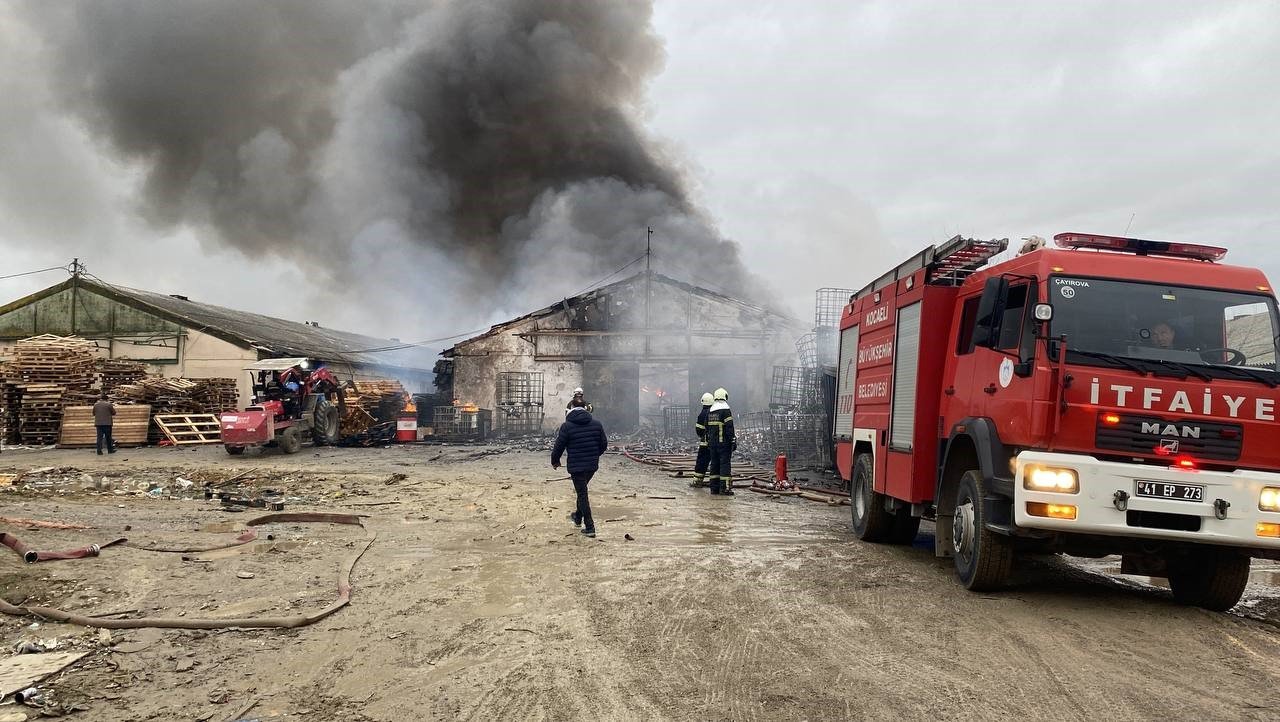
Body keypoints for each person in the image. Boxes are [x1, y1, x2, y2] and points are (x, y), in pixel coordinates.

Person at [551, 405, 608, 538]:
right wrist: (594, 455)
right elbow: (604, 444)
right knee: (581, 491)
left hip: (576, 467)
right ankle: (577, 516)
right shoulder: (597, 424)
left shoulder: (567, 426)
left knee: (582, 493)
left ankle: (590, 527)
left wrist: (555, 461)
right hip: (592, 466)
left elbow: (559, 445)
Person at [706, 388, 736, 496]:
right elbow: (729, 427)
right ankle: (725, 488)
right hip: (724, 444)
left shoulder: (710, 411)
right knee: (725, 465)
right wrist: (733, 440)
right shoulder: (725, 410)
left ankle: (714, 488)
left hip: (712, 444)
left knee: (714, 465)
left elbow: (706, 427)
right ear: (725, 396)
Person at [690, 392, 714, 488]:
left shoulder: (702, 414)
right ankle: (716, 483)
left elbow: (699, 430)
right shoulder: (715, 412)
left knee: (701, 462)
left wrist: (703, 436)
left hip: (705, 443)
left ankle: (697, 482)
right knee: (716, 463)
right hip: (715, 443)